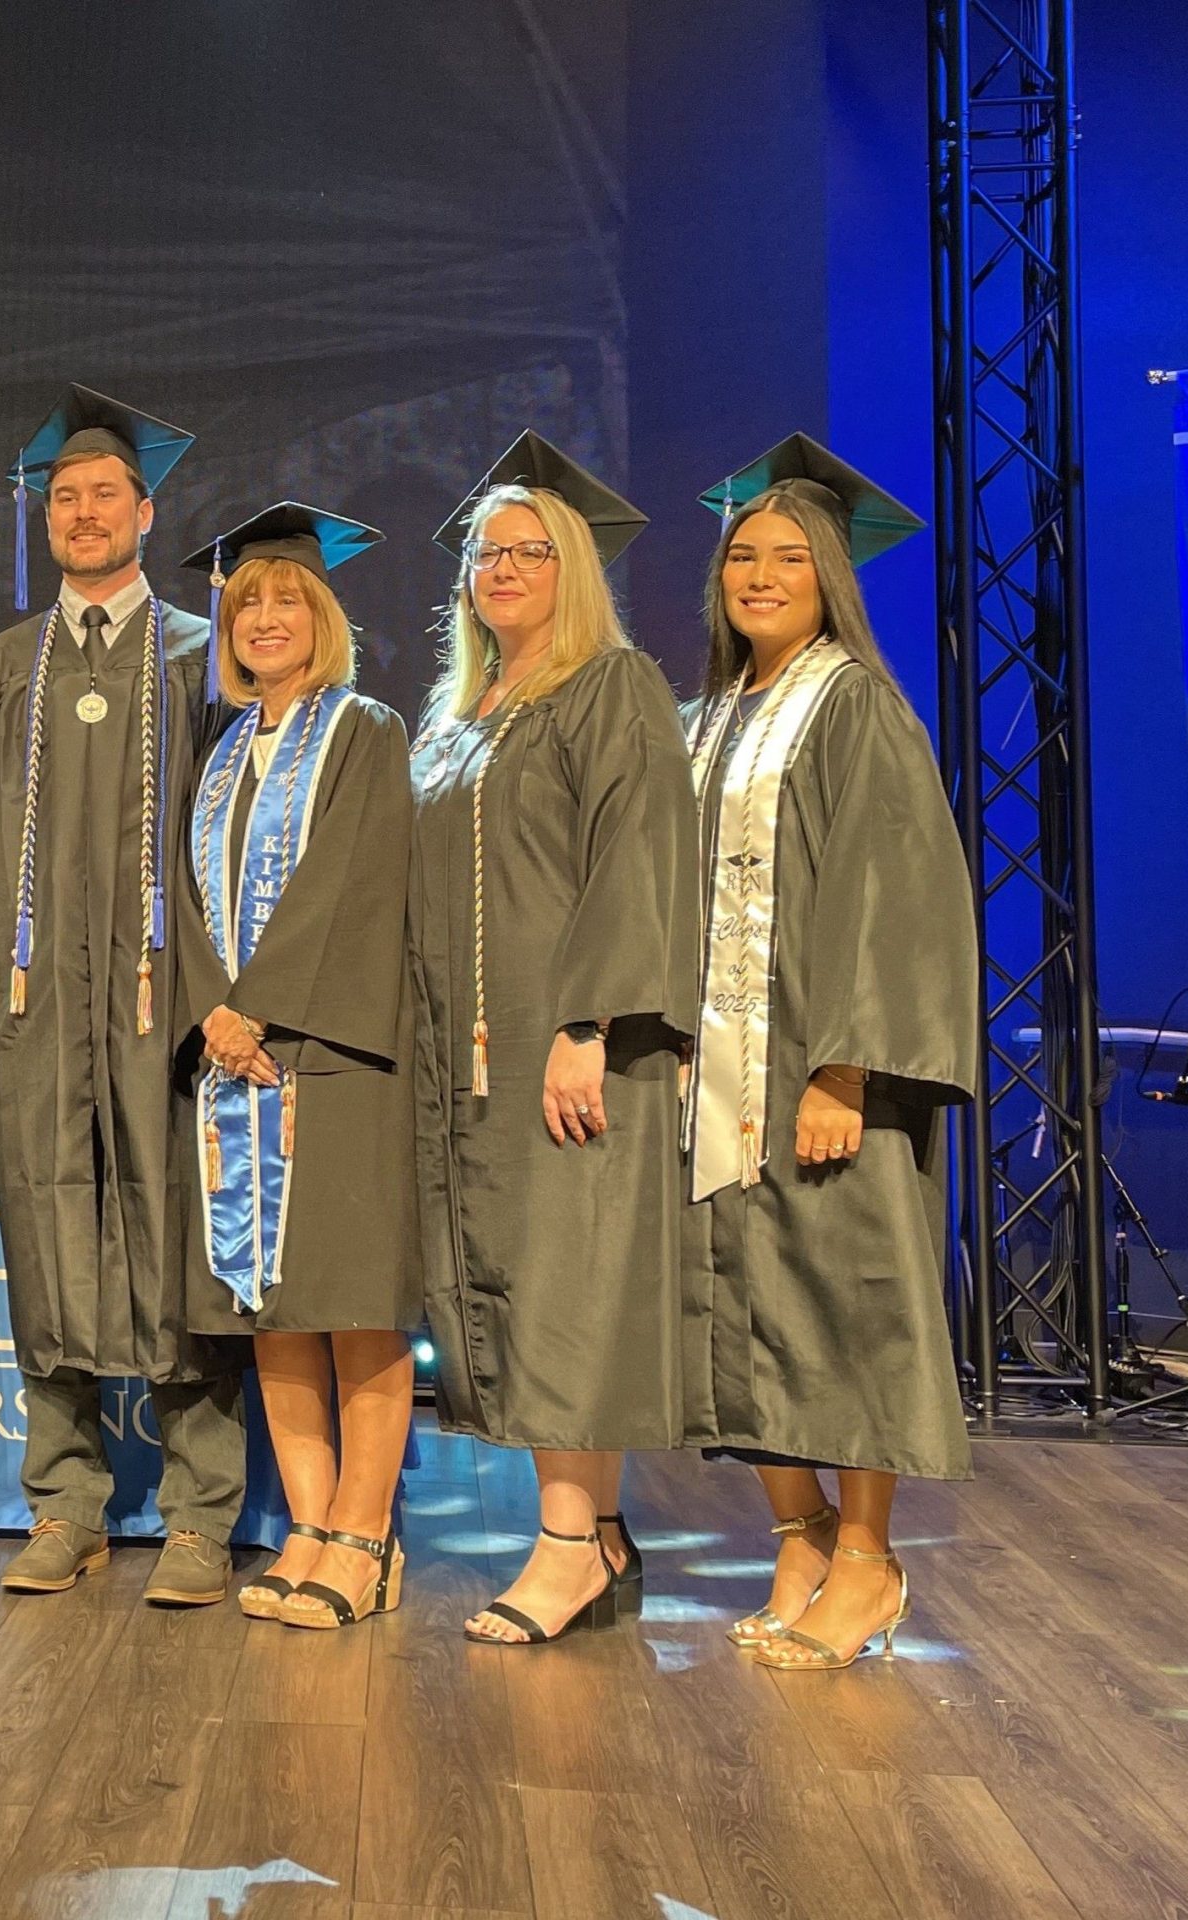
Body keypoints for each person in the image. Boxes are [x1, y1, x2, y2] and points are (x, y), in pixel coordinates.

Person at [680, 435, 977, 1670]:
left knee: (849, 1309)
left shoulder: (853, 705)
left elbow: (898, 895)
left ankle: (866, 1559)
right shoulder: (709, 714)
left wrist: (845, 1067)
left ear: (830, 578)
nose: (758, 575)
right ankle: (795, 1535)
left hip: (822, 1068)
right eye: (741, 556)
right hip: (724, 1072)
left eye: (786, 558)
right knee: (756, 1310)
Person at [408, 434, 700, 1646]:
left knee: (569, 1289)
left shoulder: (608, 689)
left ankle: (567, 1549)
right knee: (515, 1289)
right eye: (486, 551)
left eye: (531, 550)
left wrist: (588, 1022)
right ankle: (602, 1536)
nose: (503, 568)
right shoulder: (456, 715)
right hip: (463, 1053)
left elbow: (636, 862)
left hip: (559, 1040)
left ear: (572, 568)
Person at [0, 385, 244, 1608]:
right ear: (42, 517)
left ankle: (196, 1516)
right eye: (60, 498)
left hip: (164, 1009)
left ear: (145, 508)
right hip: (34, 1008)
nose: (81, 513)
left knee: (176, 1240)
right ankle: (65, 1502)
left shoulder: (203, 650)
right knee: (45, 1229)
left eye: (102, 495)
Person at [170, 504, 420, 1631]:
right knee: (271, 1305)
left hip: (333, 1054)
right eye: (245, 604)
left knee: (356, 1305)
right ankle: (308, 1527)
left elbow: (352, 881)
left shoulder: (364, 730)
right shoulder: (221, 753)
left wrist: (256, 1008)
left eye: (286, 600)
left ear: (323, 616)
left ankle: (364, 1539)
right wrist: (213, 1018)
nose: (265, 619)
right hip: (237, 1061)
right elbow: (181, 907)